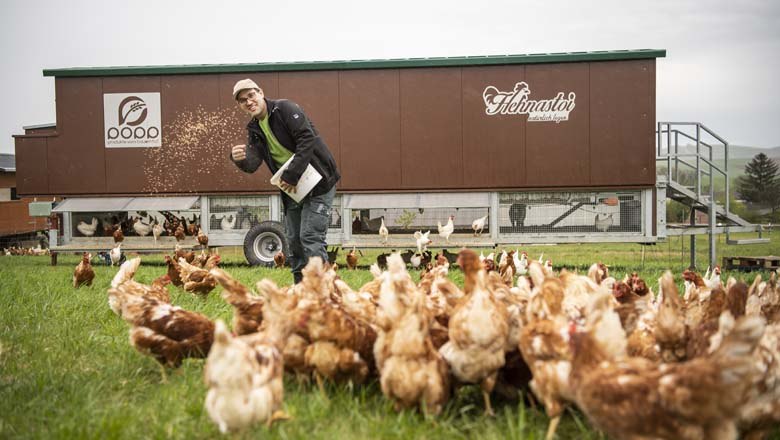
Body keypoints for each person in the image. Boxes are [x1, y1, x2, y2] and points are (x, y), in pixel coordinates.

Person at [230, 79, 340, 284]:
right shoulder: (254, 129)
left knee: (310, 237)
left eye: (251, 95)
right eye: (243, 100)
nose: (249, 102)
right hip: (293, 190)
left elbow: (307, 139)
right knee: (294, 242)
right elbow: (252, 164)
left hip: (319, 183)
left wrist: (291, 174)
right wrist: (239, 159)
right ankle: (300, 290)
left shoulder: (285, 109)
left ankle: (326, 291)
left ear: (260, 92)